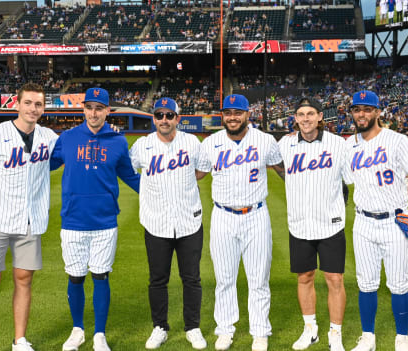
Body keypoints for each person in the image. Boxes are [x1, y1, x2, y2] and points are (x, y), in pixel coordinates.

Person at [0, 83, 59, 351]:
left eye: (38, 104)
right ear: (16, 104)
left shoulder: (49, 137)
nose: (33, 108)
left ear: (43, 108)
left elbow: (71, 150)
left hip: (30, 219)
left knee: (24, 279)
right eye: (28, 103)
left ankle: (20, 340)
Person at [50, 87, 140, 351]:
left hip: (104, 221)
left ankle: (99, 333)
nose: (94, 113)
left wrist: (158, 192)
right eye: (89, 107)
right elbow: (45, 165)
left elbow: (131, 176)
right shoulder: (67, 138)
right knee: (75, 277)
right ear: (83, 110)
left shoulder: (118, 141)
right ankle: (77, 330)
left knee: (101, 276)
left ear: (107, 111)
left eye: (99, 108)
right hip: (73, 220)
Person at [345, 91, 408, 351]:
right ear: (352, 113)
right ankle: (368, 338)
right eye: (356, 109)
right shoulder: (349, 144)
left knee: (398, 284)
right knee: (366, 284)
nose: (361, 114)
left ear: (377, 112)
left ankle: (402, 338)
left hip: (394, 222)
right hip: (362, 222)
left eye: (366, 109)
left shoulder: (396, 140)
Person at [196, 94, 283, 351]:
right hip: (222, 216)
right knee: (224, 278)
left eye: (237, 112)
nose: (232, 117)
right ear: (222, 116)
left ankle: (260, 331)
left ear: (248, 115)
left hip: (256, 215)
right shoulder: (211, 143)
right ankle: (225, 328)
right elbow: (197, 175)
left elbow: (285, 172)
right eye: (228, 113)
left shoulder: (265, 141)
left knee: (258, 279)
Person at [129, 97, 207, 350]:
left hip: (188, 221)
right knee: (157, 279)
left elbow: (202, 170)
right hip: (156, 222)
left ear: (178, 118)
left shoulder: (191, 142)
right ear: (153, 118)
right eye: (159, 115)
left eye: (169, 115)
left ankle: (192, 327)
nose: (164, 119)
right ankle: (160, 327)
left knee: (192, 278)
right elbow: (128, 170)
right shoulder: (142, 146)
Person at [276, 97, 350, 351]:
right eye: (300, 114)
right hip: (299, 224)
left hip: (330, 224)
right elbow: (275, 164)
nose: (305, 118)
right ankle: (310, 330)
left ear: (320, 116)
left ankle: (335, 334)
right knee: (305, 277)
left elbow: (352, 176)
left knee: (334, 279)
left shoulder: (338, 144)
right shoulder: (285, 144)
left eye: (310, 114)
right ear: (295, 118)